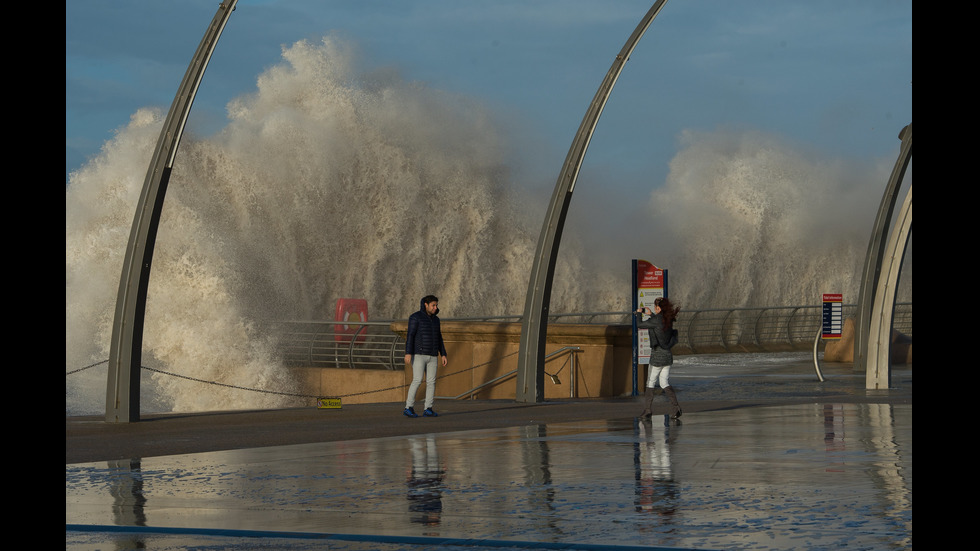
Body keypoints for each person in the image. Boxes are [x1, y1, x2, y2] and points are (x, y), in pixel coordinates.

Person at [637, 297, 682, 419]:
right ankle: (676, 408)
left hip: (657, 356)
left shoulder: (657, 320)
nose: (654, 309)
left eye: (656, 307)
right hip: (667, 355)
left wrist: (639, 313)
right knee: (664, 383)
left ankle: (647, 410)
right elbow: (657, 325)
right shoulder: (668, 319)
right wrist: (651, 314)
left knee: (650, 382)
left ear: (659, 308)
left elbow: (639, 325)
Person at [404, 295, 448, 418]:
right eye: (433, 305)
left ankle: (428, 408)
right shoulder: (415, 317)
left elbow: (439, 338)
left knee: (431, 382)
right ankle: (408, 407)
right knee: (417, 380)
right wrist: (408, 353)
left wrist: (443, 354)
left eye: (436, 305)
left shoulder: (436, 320)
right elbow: (410, 335)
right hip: (419, 354)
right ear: (426, 305)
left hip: (433, 355)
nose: (435, 307)